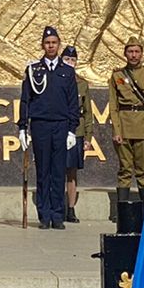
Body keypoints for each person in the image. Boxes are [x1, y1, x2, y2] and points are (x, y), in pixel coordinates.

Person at [17, 27, 80, 230]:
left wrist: (72, 129)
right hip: (40, 124)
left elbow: (72, 103)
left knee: (58, 171)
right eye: (47, 43)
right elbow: (25, 100)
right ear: (42, 45)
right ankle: (44, 216)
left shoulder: (67, 71)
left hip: (61, 125)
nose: (50, 46)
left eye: (54, 42)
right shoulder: (33, 69)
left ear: (58, 45)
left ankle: (58, 215)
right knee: (43, 170)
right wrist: (22, 128)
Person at [108, 37, 144, 207]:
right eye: (130, 51)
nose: (134, 55)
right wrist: (116, 130)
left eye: (137, 51)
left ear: (142, 53)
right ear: (125, 54)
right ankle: (122, 211)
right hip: (124, 127)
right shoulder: (117, 76)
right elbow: (113, 105)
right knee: (124, 171)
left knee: (143, 172)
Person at [61, 45, 93, 224]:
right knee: (57, 169)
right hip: (59, 128)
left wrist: (88, 137)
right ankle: (57, 206)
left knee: (72, 172)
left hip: (77, 130)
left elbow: (88, 112)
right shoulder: (55, 79)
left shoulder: (82, 83)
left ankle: (70, 208)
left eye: (72, 60)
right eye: (67, 59)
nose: (70, 63)